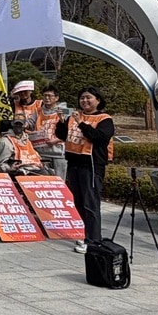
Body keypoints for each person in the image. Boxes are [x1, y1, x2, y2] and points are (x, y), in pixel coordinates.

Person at [58, 86, 114, 254]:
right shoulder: (74, 116)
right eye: (82, 98)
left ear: (98, 99)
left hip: (91, 165)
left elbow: (100, 138)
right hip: (74, 163)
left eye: (88, 97)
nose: (84, 101)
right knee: (79, 202)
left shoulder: (105, 119)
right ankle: (85, 234)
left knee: (91, 203)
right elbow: (62, 135)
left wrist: (81, 123)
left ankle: (93, 240)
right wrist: (61, 122)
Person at [33, 85, 67, 180]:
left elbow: (70, 130)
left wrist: (56, 140)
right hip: (41, 151)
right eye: (44, 96)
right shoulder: (38, 111)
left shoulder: (64, 111)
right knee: (44, 180)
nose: (46, 98)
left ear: (56, 98)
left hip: (58, 152)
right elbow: (30, 123)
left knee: (59, 180)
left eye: (49, 96)